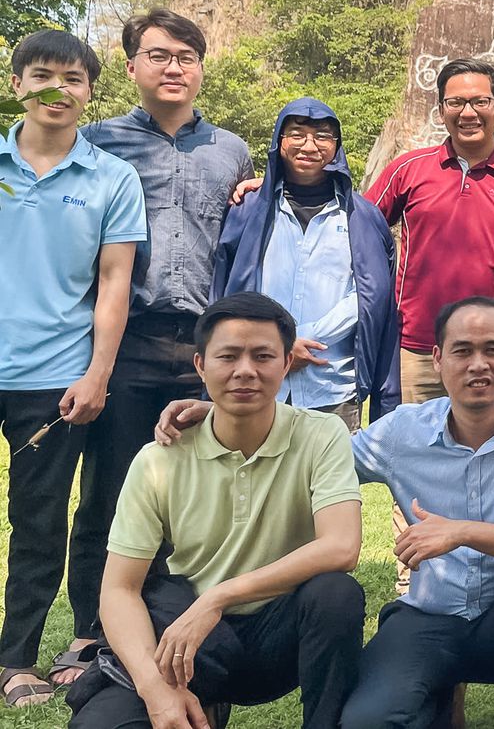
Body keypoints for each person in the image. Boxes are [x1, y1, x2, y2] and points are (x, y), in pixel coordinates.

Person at [65, 292, 364, 729]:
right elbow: (119, 590)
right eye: (228, 356)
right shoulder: (159, 459)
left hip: (279, 632)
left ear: (286, 363)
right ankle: (198, 697)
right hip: (186, 639)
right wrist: (154, 689)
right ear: (201, 365)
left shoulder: (321, 435)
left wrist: (218, 598)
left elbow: (341, 547)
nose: (245, 370)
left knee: (336, 594)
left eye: (263, 356)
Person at [68, 8, 252, 681]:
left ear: (201, 68)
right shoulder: (96, 143)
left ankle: (186, 621)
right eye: (158, 55)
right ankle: (90, 634)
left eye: (186, 56)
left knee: (203, 489)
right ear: (131, 66)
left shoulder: (232, 150)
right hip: (127, 340)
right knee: (111, 488)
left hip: (205, 347)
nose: (173, 67)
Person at [338, 296, 494, 729]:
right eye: (463, 351)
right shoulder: (402, 431)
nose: (479, 364)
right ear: (437, 359)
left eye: (493, 349)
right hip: (430, 618)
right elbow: (322, 464)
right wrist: (242, 418)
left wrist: (461, 532)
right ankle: (436, 695)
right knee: (367, 720)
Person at [0, 30, 146, 708]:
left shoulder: (112, 178)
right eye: (41, 75)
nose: (57, 89)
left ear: (90, 92)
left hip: (55, 375)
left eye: (73, 78)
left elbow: (115, 284)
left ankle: (16, 660)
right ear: (16, 84)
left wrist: (96, 374)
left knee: (39, 522)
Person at [365, 57, 494, 401]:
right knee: (415, 434)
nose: (468, 113)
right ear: (441, 111)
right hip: (418, 348)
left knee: (490, 435)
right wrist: (276, 189)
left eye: (480, 101)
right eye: (456, 102)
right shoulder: (408, 169)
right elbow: (358, 229)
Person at [212, 97, 399, 431]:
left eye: (322, 136)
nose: (309, 146)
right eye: (297, 134)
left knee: (329, 466)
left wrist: (297, 339)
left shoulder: (362, 217)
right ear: (279, 141)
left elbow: (370, 297)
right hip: (254, 382)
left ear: (337, 145)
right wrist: (275, 343)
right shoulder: (249, 210)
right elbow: (228, 290)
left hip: (331, 385)